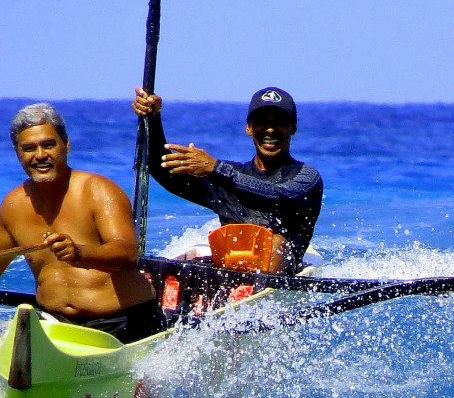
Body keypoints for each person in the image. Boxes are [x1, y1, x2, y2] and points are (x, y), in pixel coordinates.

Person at [0, 103, 164, 342]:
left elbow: (126, 255)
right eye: (29, 148)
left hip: (124, 322)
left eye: (48, 145)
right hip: (57, 325)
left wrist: (78, 253)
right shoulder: (13, 205)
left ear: (66, 145)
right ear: (18, 153)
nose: (40, 155)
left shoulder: (98, 191)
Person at [132, 86, 323, 274]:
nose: (270, 130)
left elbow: (279, 194)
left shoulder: (306, 177)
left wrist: (216, 168)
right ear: (249, 128)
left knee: (276, 242)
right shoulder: (225, 177)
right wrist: (152, 118)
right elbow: (163, 171)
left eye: (279, 122)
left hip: (279, 274)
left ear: (293, 128)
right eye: (261, 122)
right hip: (230, 269)